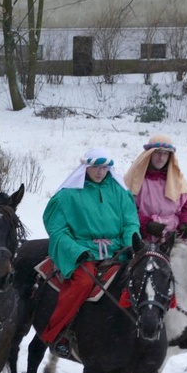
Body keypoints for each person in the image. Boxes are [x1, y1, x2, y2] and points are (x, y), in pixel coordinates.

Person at [40, 148, 140, 356]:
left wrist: (131, 243)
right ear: (86, 167)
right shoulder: (67, 195)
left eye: (104, 167)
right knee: (83, 282)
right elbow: (57, 229)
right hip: (84, 251)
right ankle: (61, 333)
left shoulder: (120, 191)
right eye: (95, 166)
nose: (100, 172)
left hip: (117, 251)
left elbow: (131, 221)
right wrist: (76, 250)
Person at [124, 135, 187, 241]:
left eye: (165, 153)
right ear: (149, 155)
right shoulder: (135, 181)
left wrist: (186, 222)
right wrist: (147, 225)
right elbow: (127, 210)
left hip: (174, 236)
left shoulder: (177, 180)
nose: (161, 157)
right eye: (157, 153)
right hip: (144, 236)